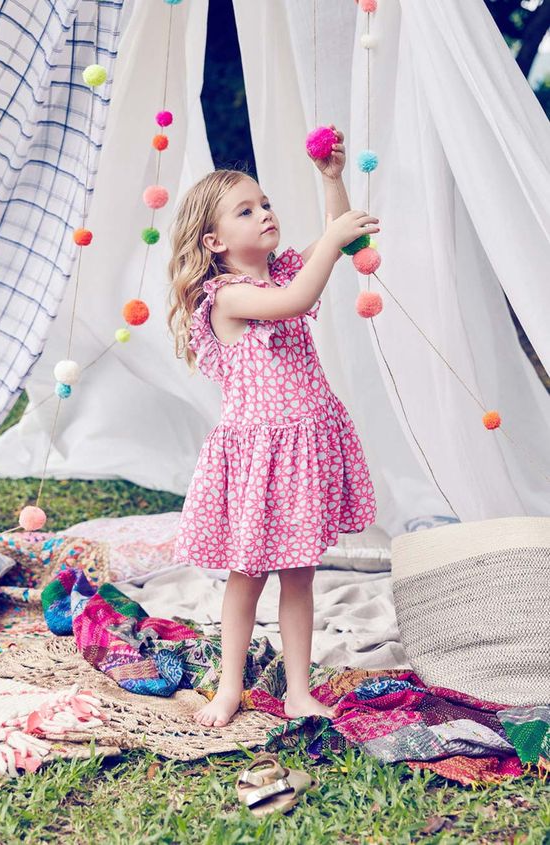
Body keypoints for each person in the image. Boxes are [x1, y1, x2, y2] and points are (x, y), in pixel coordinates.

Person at [167, 126, 379, 728]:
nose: (265, 213)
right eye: (246, 210)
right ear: (214, 241)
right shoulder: (228, 297)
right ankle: (228, 687)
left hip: (303, 447)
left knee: (299, 577)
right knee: (247, 577)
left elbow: (338, 242)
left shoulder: (279, 272)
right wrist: (332, 239)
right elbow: (297, 299)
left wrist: (332, 181)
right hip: (260, 458)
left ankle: (298, 690)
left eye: (265, 203)